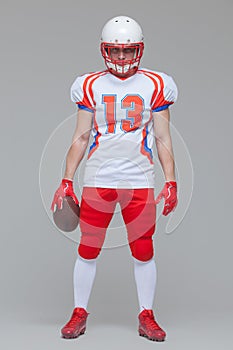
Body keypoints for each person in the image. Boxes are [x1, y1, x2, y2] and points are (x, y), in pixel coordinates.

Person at [51, 15, 178, 342]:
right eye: (115, 51)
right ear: (104, 50)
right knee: (88, 248)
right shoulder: (91, 84)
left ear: (140, 50)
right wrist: (66, 179)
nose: (121, 58)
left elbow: (163, 138)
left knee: (144, 249)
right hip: (99, 178)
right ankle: (79, 312)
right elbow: (81, 136)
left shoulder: (157, 84)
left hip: (140, 181)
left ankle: (146, 314)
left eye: (128, 51)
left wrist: (171, 180)